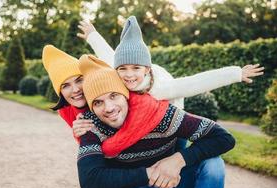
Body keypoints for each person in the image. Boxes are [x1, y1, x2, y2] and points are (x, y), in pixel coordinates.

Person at [73, 15, 264, 151]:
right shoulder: (118, 74)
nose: (129, 75)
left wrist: (236, 73)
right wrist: (92, 34)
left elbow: (195, 83)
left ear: (146, 69)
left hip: (173, 119)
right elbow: (108, 56)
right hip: (146, 116)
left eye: (136, 68)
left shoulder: (161, 88)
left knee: (175, 149)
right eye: (122, 69)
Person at [76, 54, 235, 188]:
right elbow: (90, 182)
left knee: (213, 165)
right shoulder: (90, 124)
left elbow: (224, 138)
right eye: (98, 102)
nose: (109, 107)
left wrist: (178, 160)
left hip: (172, 187)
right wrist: (149, 174)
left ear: (126, 95)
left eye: (113, 95)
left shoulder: (159, 114)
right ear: (92, 108)